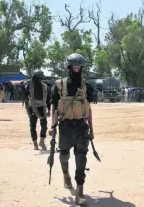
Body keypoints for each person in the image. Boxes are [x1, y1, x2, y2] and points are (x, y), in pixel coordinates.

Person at [50, 53, 94, 205]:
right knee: (63, 156)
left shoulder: (86, 86)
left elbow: (88, 109)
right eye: (74, 66)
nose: (77, 69)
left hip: (82, 127)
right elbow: (54, 107)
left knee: (81, 158)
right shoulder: (58, 85)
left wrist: (92, 131)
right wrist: (52, 126)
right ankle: (66, 175)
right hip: (65, 127)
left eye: (79, 66)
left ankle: (80, 192)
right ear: (69, 67)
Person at [24, 70, 51, 150]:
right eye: (39, 76)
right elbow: (25, 98)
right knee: (32, 126)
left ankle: (42, 141)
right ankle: (35, 143)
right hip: (32, 108)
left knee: (44, 126)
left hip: (42, 108)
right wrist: (27, 109)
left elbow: (48, 98)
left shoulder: (44, 86)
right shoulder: (28, 86)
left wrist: (49, 109)